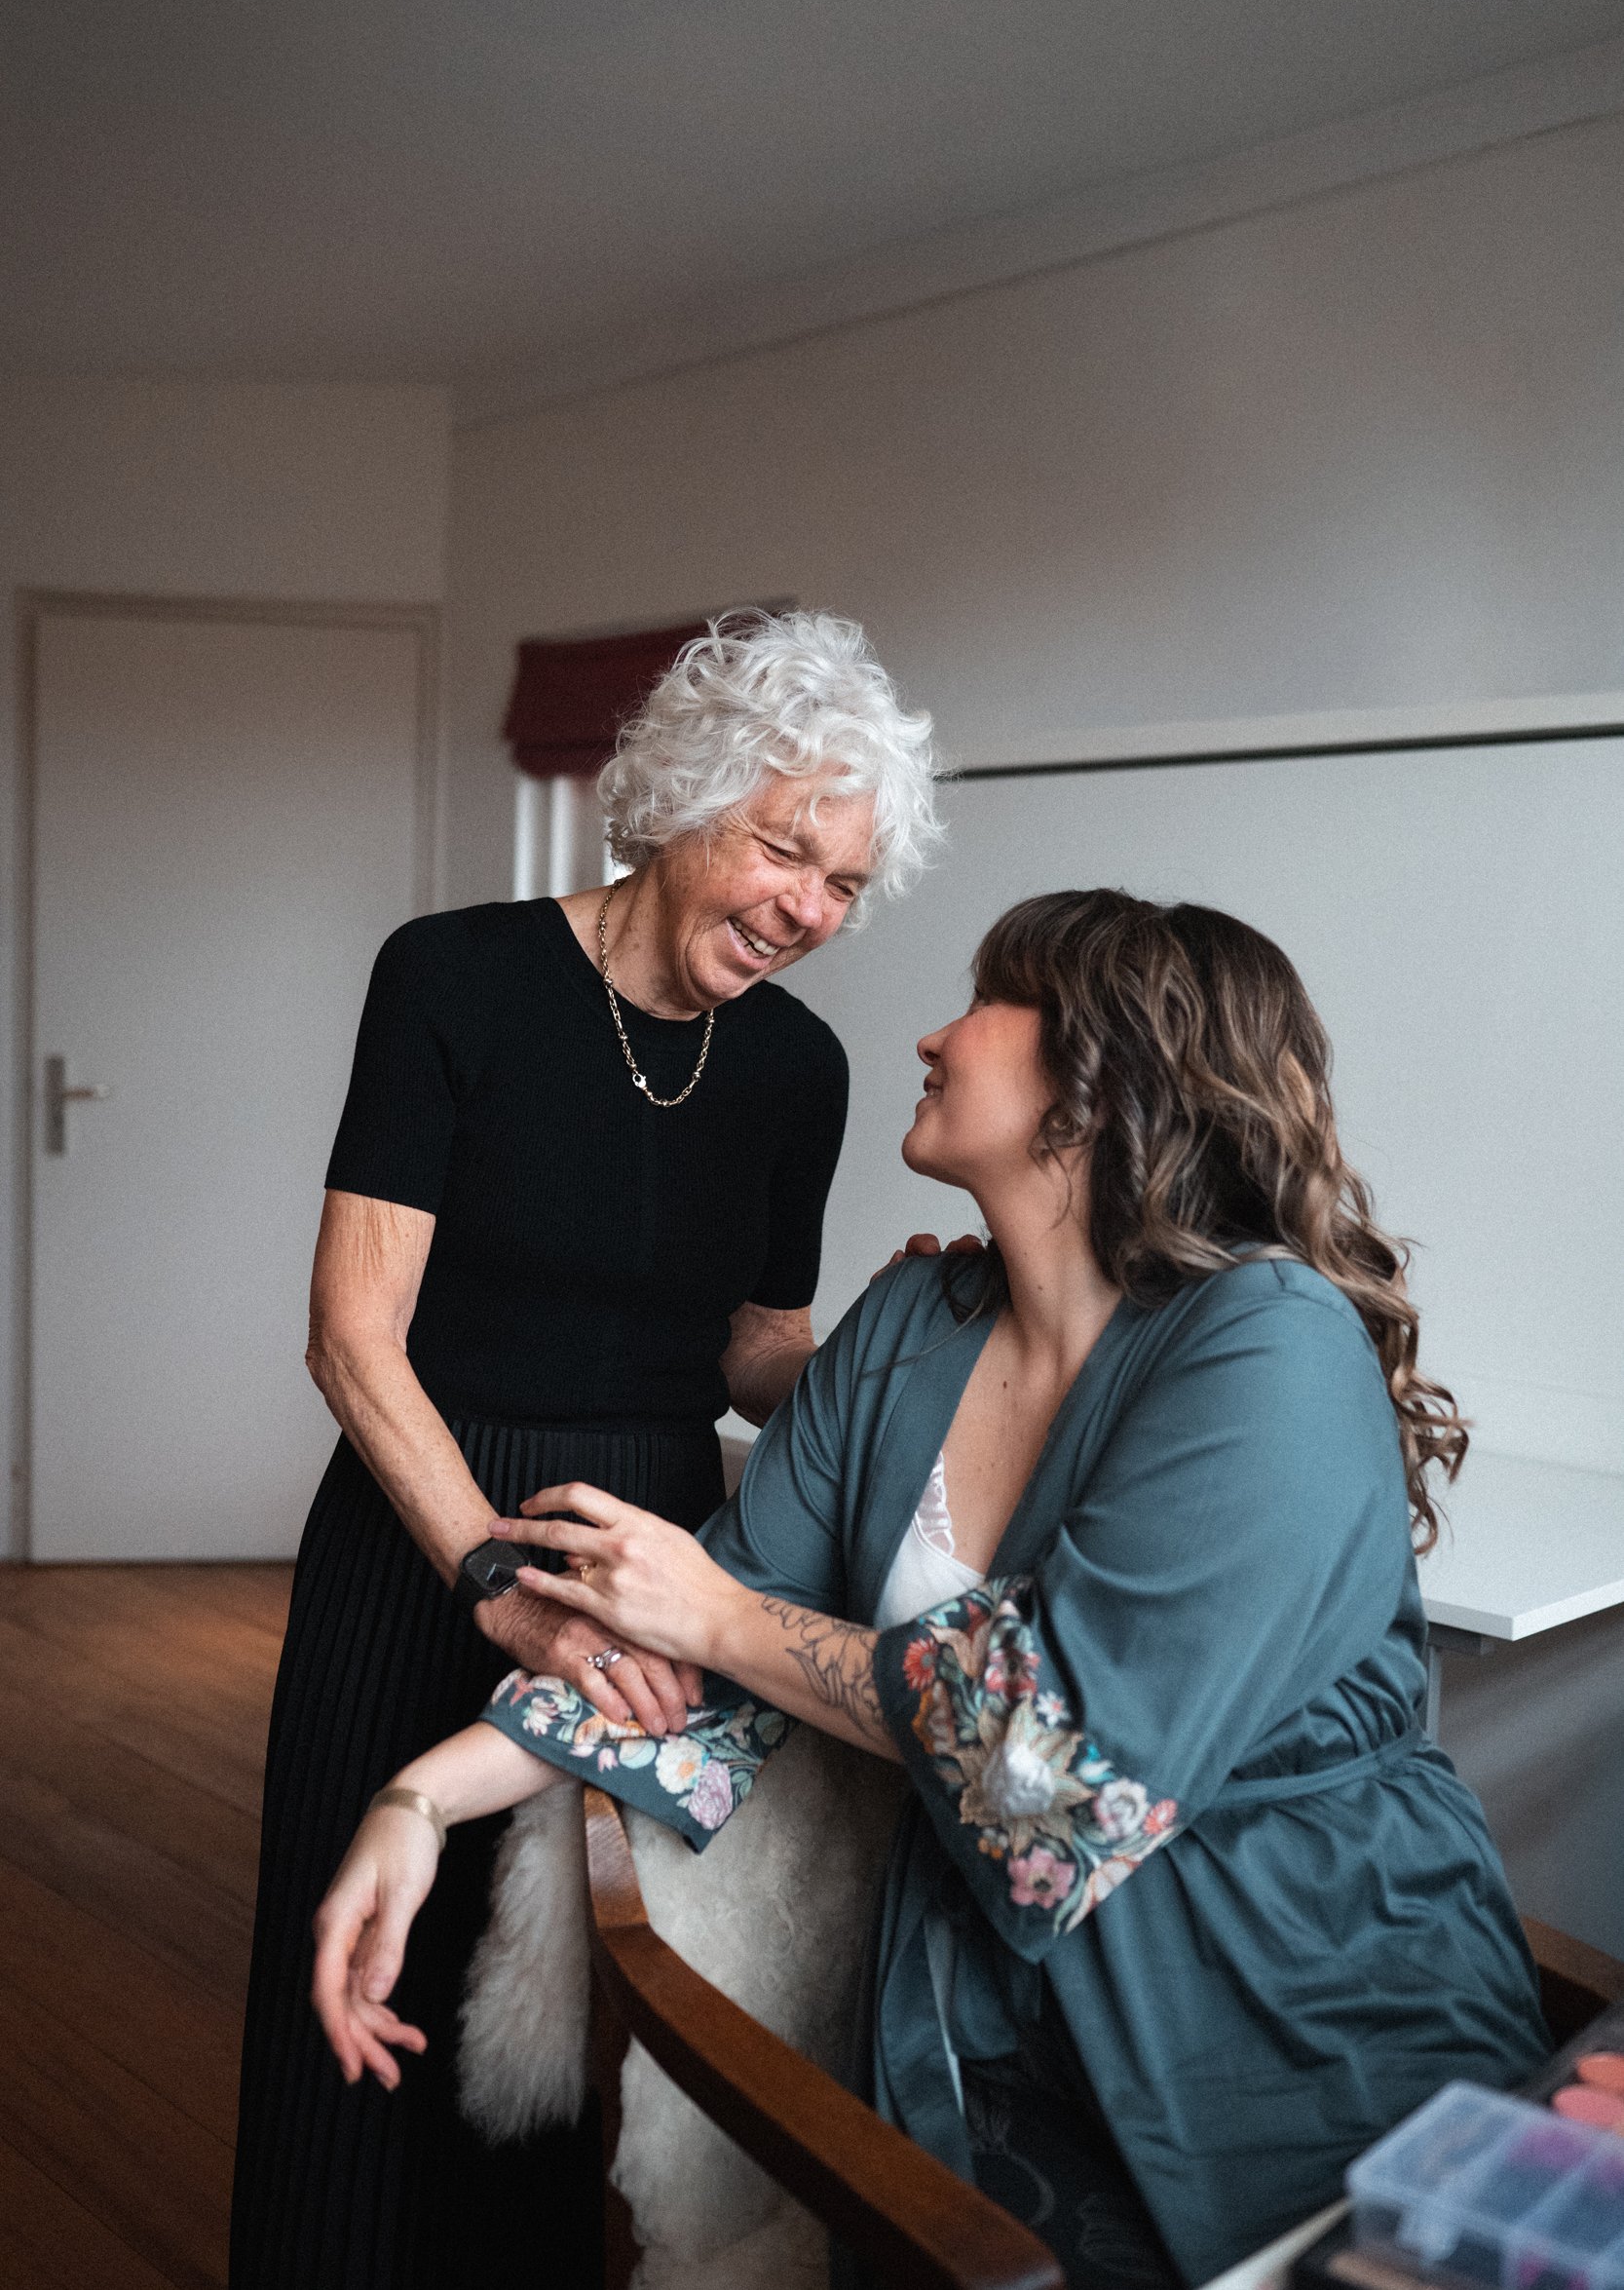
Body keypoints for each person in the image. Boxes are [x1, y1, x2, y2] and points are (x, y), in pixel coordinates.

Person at [311, 889, 1550, 2290]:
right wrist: (424, 1800)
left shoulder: (1273, 1349)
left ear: (1098, 1073)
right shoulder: (910, 1323)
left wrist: (719, 1618)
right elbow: (696, 1645)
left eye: (984, 1000)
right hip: (978, 2028)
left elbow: (1057, 1780)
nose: (932, 1031)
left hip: (1297, 2013)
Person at [230, 611, 940, 2290]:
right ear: (683, 799)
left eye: (842, 885)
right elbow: (352, 1335)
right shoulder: (454, 976)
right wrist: (485, 1565)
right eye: (783, 850)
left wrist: (897, 1353)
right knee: (359, 1963)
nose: (807, 913)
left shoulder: (801, 1068)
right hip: (427, 1518)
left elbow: (751, 1347)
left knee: (560, 1990)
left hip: (652, 1546)